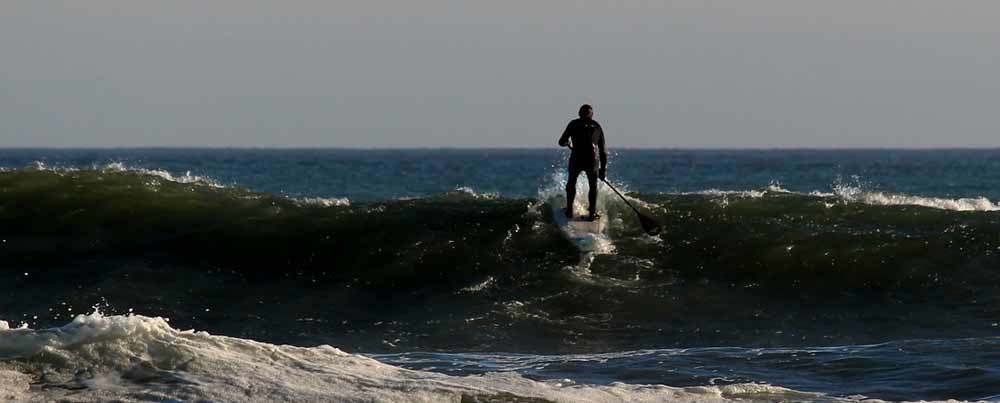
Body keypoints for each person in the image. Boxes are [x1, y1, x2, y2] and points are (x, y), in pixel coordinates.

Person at [558, 104, 607, 221]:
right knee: (593, 186)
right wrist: (602, 170)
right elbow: (603, 151)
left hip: (577, 158)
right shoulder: (597, 126)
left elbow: (561, 142)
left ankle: (569, 211)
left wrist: (567, 144)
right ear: (592, 114)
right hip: (592, 160)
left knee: (571, 183)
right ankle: (592, 214)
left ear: (579, 114)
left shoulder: (573, 124)